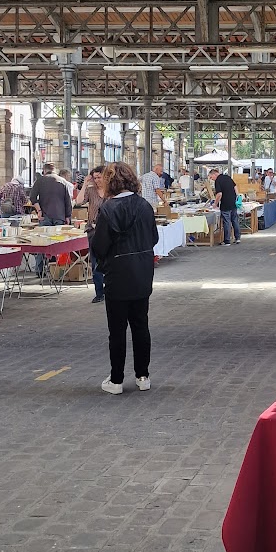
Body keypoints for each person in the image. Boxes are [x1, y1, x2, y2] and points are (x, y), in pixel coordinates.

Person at [91, 161, 158, 396]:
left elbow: (99, 246)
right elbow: (154, 238)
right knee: (141, 325)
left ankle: (117, 379)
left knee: (117, 330)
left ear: (110, 182)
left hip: (117, 274)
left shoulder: (108, 210)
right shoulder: (144, 206)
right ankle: (143, 375)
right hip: (141, 272)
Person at [76, 165, 108, 303]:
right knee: (95, 263)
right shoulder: (91, 190)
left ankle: (111, 289)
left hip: (109, 230)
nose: (97, 180)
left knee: (110, 262)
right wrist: (84, 185)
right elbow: (78, 202)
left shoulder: (112, 191)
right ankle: (99, 293)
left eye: (99, 177)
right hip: (93, 230)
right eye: (95, 178)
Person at [211, 166, 241, 244]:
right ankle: (237, 238)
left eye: (211, 177)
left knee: (226, 222)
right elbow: (235, 186)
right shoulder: (227, 177)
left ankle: (227, 240)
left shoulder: (218, 181)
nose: (212, 179)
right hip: (233, 202)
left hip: (225, 203)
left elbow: (219, 194)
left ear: (214, 174)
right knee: (234, 220)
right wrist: (237, 196)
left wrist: (215, 204)